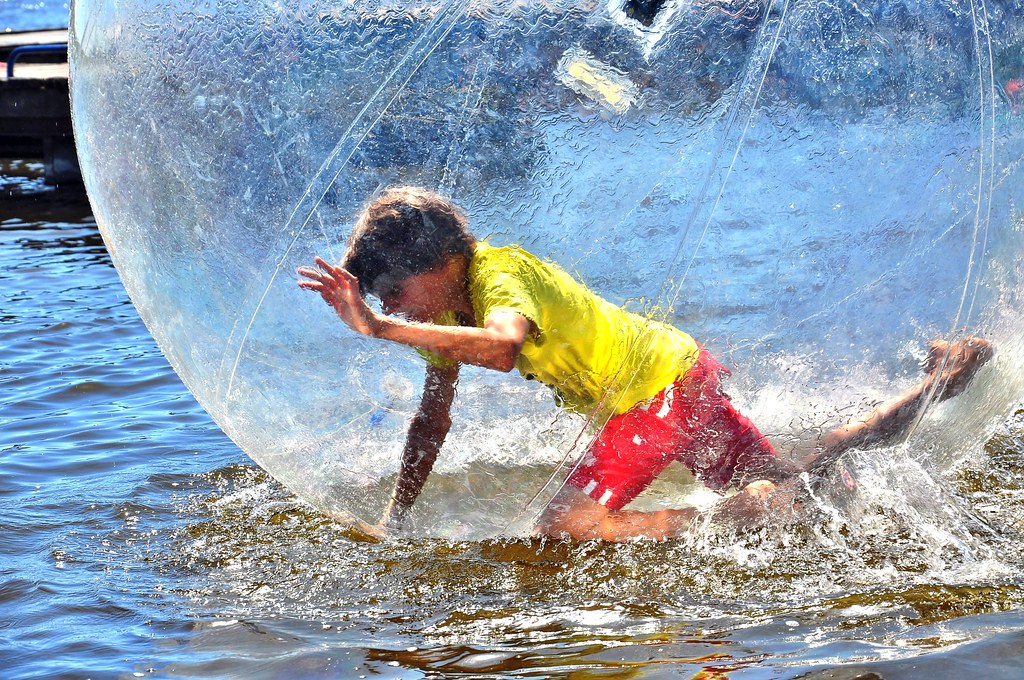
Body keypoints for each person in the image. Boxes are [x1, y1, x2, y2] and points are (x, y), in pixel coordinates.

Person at [297, 186, 993, 542]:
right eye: (383, 299)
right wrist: (397, 517)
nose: (392, 305)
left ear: (444, 262)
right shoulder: (443, 321)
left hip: (656, 392)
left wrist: (379, 327)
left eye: (396, 290)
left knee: (563, 529)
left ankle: (754, 514)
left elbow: (505, 348)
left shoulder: (498, 273)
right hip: (678, 374)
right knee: (803, 480)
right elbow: (432, 422)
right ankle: (944, 379)